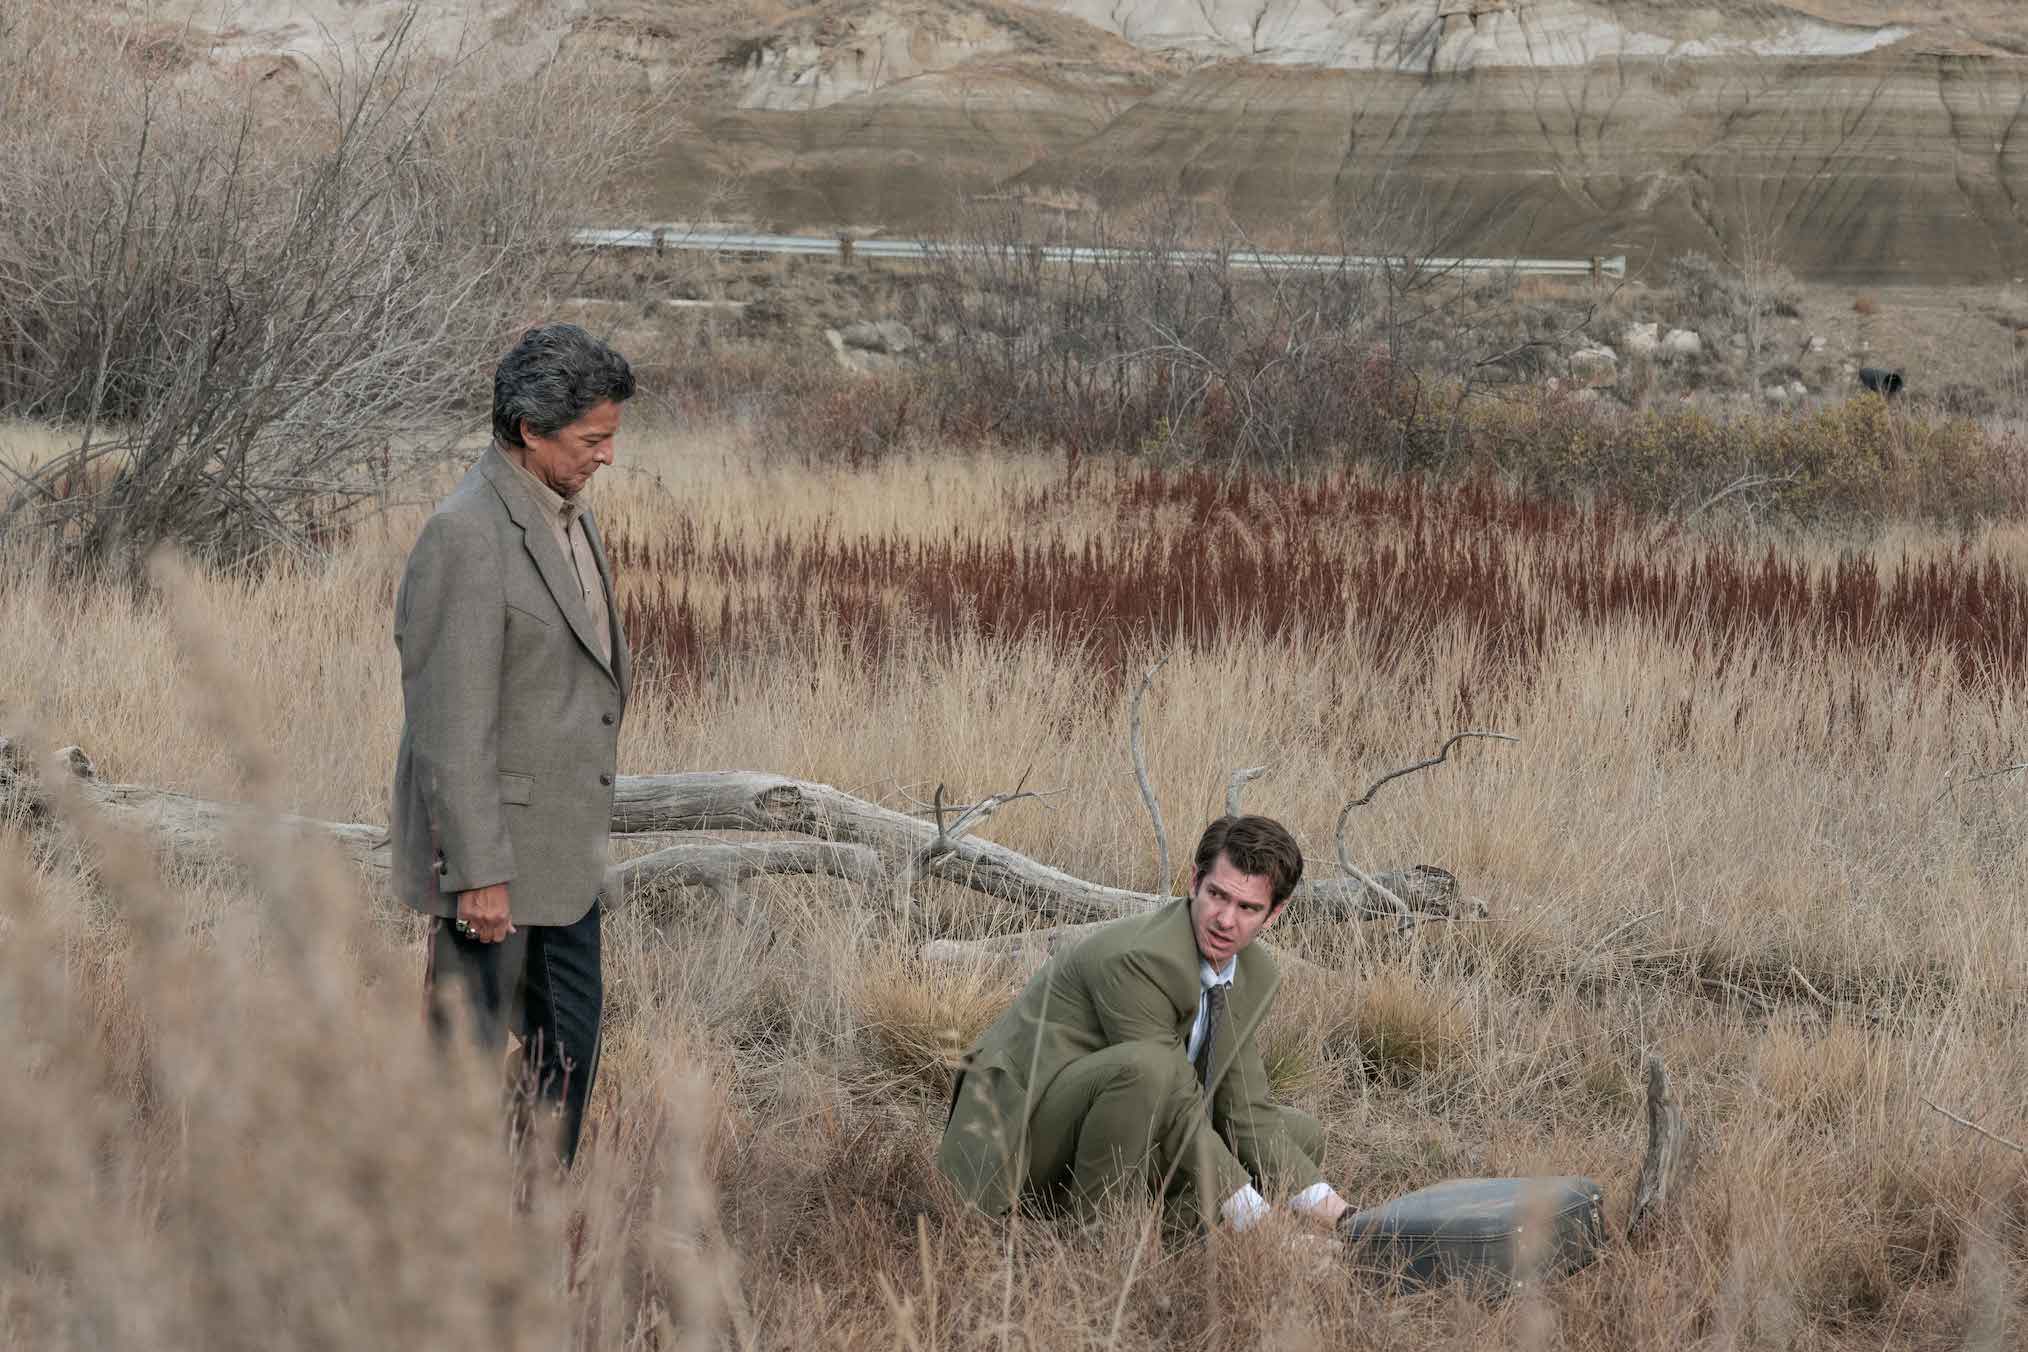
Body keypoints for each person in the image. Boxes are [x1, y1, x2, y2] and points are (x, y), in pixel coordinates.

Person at [389, 322, 635, 1168]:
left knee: (565, 1067)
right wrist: (479, 873)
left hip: (563, 859)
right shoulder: (465, 533)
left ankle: (537, 1238)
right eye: (591, 439)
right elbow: (449, 726)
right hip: (490, 874)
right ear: (531, 431)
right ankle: (442, 1251)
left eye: (610, 437)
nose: (606, 456)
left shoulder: (567, 514)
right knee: (461, 1079)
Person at [937, 815, 1353, 1232]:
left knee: (1299, 1134)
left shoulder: (1251, 974)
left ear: (1275, 913)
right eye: (1217, 895)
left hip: (1124, 1127)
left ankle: (1167, 1228)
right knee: (1148, 1068)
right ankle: (1099, 1234)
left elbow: (1246, 1108)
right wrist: (1258, 1219)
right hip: (1025, 1141)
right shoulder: (1139, 959)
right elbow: (1172, 1095)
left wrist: (1343, 1216)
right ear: (1194, 882)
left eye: (1247, 907)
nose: (1225, 920)